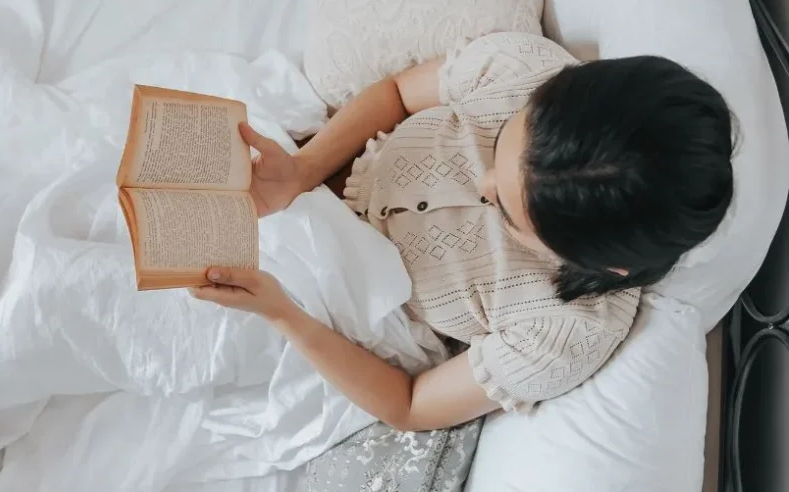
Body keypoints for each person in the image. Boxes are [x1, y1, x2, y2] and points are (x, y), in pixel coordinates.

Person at [190, 32, 734, 431]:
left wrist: (283, 314)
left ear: (599, 262)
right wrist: (305, 170)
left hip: (315, 309)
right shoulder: (524, 70)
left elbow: (410, 405)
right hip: (303, 159)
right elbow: (397, 96)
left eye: (512, 216)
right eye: (501, 147)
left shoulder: (564, 332)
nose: (482, 181)